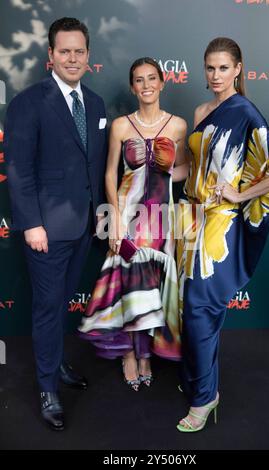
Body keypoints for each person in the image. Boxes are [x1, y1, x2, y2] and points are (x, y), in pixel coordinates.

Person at [176, 37, 269, 432]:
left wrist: (242, 193)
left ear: (239, 69)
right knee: (190, 308)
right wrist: (158, 166)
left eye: (223, 68)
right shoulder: (200, 109)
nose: (215, 75)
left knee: (200, 307)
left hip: (220, 225)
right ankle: (197, 382)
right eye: (209, 67)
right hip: (190, 219)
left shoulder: (244, 110)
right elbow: (193, 169)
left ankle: (206, 397)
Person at [4, 17, 107, 431]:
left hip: (83, 226)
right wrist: (31, 224)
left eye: (78, 51)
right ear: (50, 56)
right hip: (45, 230)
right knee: (48, 309)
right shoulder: (28, 102)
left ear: (88, 56)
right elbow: (19, 169)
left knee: (62, 300)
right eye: (63, 51)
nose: (72, 58)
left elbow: (95, 166)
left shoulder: (96, 104)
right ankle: (47, 387)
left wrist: (101, 214)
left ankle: (56, 362)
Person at [79, 57, 188, 390]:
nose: (146, 85)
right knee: (128, 286)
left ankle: (145, 355)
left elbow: (182, 171)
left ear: (162, 82)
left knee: (151, 287)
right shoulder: (121, 127)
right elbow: (110, 172)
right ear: (132, 87)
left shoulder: (179, 126)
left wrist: (169, 169)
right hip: (127, 216)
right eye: (139, 80)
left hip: (159, 219)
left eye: (152, 78)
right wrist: (113, 219)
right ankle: (129, 355)